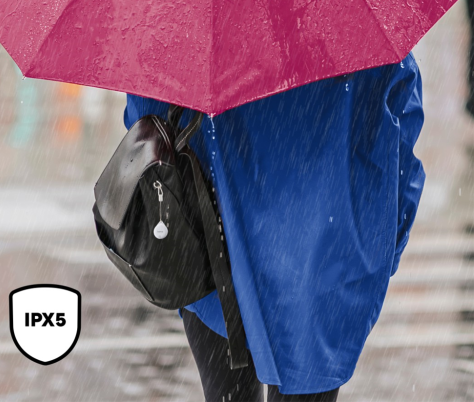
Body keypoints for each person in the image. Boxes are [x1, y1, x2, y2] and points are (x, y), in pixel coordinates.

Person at [123, 52, 426, 401]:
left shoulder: (194, 29)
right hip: (322, 260)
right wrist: (384, 247)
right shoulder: (357, 31)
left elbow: (146, 118)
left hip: (214, 244)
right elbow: (400, 123)